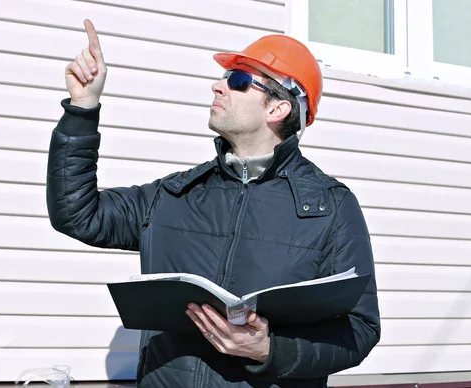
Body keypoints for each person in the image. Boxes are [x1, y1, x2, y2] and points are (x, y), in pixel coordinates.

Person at [47, 19, 380, 388]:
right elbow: (77, 214)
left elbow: (359, 329)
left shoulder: (330, 208)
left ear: (278, 109)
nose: (217, 86)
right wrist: (82, 108)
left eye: (237, 81)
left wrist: (269, 350)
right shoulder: (177, 194)